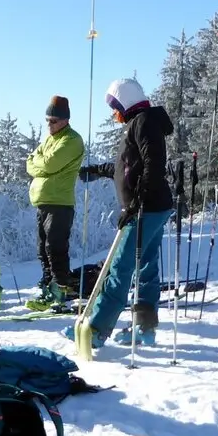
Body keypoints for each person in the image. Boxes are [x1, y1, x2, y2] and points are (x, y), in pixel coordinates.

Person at [68, 78, 175, 346]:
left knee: (120, 266)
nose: (113, 113)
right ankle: (145, 329)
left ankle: (96, 329)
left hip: (145, 209)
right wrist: (96, 171)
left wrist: (137, 202)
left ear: (126, 102)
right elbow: (127, 166)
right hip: (153, 207)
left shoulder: (143, 122)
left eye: (115, 107)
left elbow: (153, 164)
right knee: (147, 266)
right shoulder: (139, 123)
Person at [24, 96, 86, 311]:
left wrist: (38, 162)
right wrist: (37, 162)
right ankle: (48, 285)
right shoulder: (51, 139)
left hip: (60, 202)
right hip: (43, 202)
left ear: (65, 120)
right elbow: (30, 163)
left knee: (55, 247)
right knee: (42, 249)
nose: (49, 125)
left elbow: (48, 164)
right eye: (47, 120)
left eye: (54, 121)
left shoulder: (71, 140)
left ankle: (60, 288)